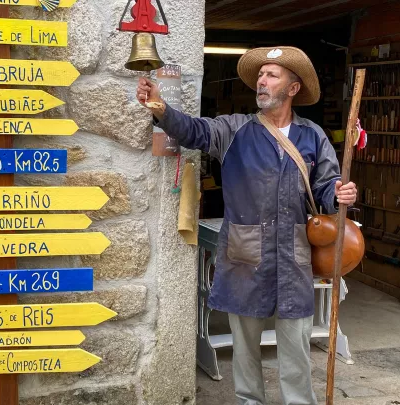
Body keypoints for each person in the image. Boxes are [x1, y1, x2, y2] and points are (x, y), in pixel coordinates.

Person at [136, 46, 358, 405]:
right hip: (244, 256)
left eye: (272, 75)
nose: (262, 81)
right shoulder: (234, 129)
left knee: (296, 351)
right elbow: (193, 130)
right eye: (261, 75)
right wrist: (161, 108)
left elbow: (326, 192)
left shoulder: (313, 136)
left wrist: (340, 194)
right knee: (245, 350)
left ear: (293, 88)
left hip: (294, 258)